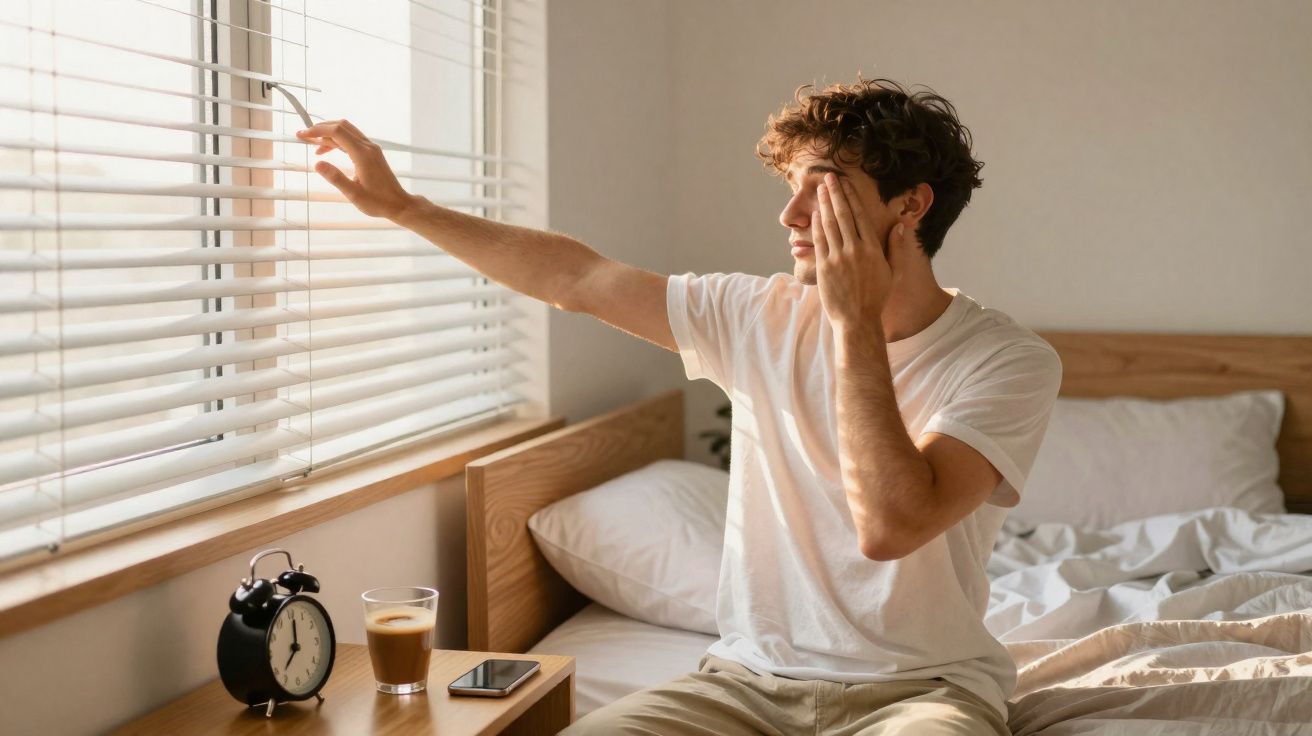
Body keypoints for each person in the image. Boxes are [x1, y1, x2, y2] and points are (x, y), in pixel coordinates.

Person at [298, 77, 1061, 736]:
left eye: (820, 187)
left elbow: (890, 526)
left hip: (923, 693)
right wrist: (404, 208)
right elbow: (579, 280)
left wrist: (851, 323)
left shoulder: (1009, 361)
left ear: (911, 205)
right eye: (789, 189)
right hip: (744, 686)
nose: (790, 216)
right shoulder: (754, 315)